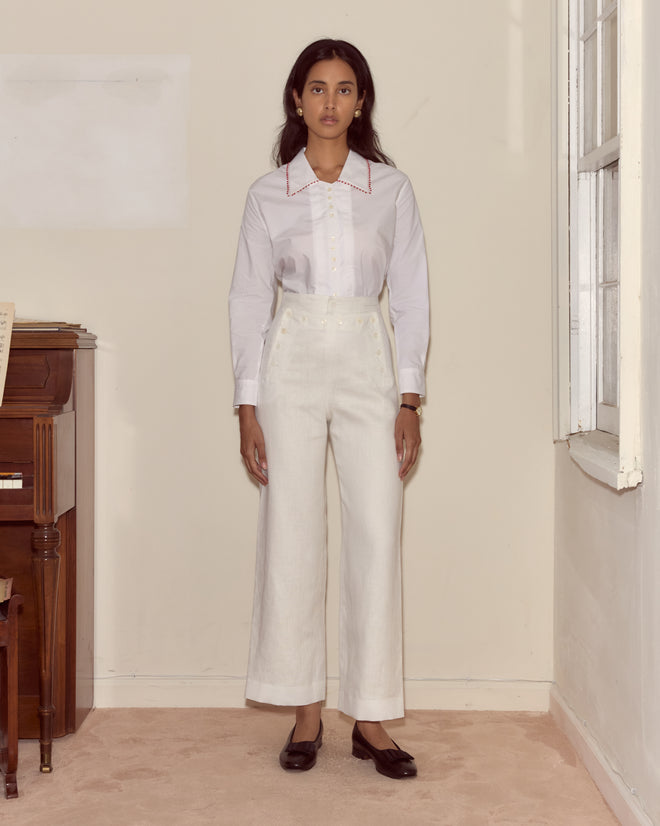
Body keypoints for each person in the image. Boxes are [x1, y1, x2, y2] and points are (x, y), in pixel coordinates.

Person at [229, 38, 429, 779]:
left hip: (366, 355)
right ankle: (304, 707)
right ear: (296, 100)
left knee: (377, 529)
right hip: (292, 359)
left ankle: (370, 716)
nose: (331, 102)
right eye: (317, 88)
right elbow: (250, 298)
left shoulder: (392, 190)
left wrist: (409, 397)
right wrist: (247, 404)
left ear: (361, 102)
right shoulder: (267, 193)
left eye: (345, 89)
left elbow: (409, 296)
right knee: (291, 531)